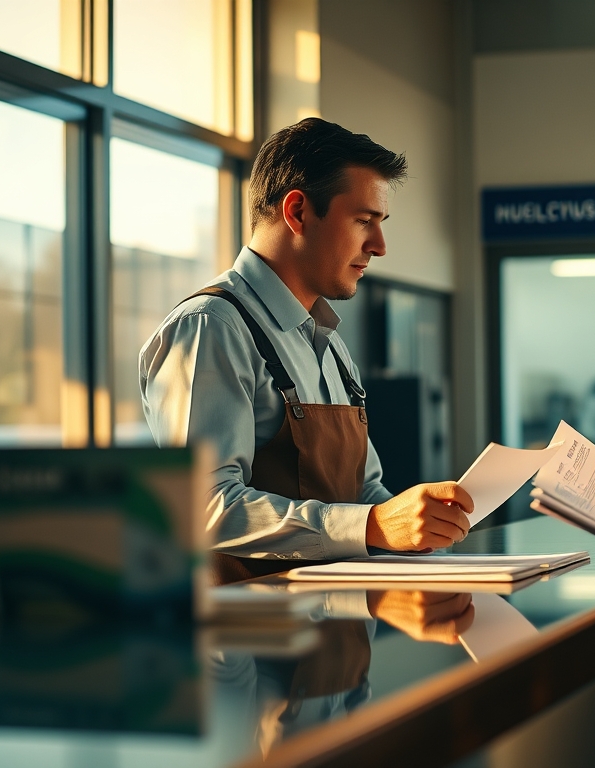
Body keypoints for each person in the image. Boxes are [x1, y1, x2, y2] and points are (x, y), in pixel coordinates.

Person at [140, 118, 474, 583]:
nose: (378, 246)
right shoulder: (211, 328)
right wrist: (375, 525)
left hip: (337, 637)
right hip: (249, 645)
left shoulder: (330, 344)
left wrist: (428, 541)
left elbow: (365, 492)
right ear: (297, 212)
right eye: (364, 221)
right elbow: (204, 508)